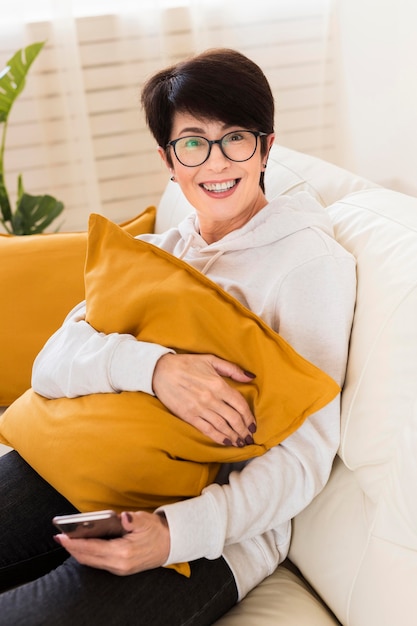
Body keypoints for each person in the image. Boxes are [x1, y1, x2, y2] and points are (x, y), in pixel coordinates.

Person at [0, 48, 356, 624]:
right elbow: (51, 363)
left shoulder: (308, 266)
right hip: (74, 466)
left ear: (267, 147)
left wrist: (175, 535)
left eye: (235, 138)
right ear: (169, 159)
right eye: (192, 142)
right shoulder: (157, 254)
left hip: (205, 537)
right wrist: (157, 368)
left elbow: (304, 456)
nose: (216, 163)